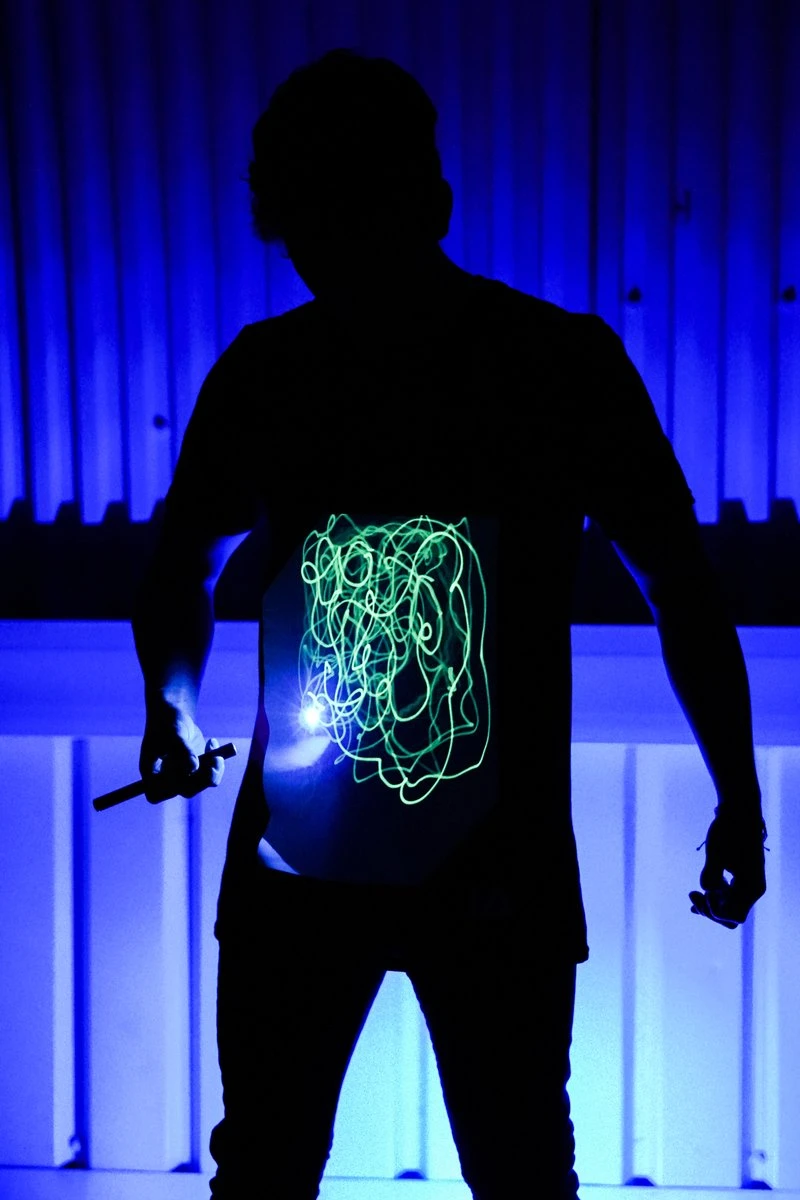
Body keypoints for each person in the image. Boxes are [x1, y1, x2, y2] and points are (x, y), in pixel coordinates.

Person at [131, 48, 767, 1200]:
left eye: (335, 219)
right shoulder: (534, 363)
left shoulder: (326, 371)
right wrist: (168, 703)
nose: (323, 254)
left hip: (408, 862)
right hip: (392, 859)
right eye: (309, 227)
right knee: (433, 1164)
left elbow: (681, 587)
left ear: (419, 203)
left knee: (332, 1163)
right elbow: (680, 584)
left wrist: (169, 707)